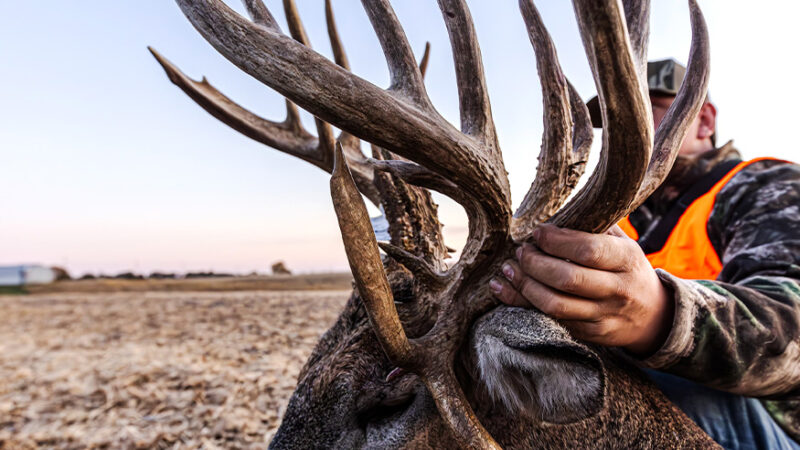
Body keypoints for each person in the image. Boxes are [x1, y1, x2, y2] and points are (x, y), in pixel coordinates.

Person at [489, 59, 800, 449]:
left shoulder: (764, 187)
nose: (625, 134)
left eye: (642, 113)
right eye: (615, 125)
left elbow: (794, 330)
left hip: (771, 425)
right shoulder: (615, 222)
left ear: (703, 121)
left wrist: (658, 313)